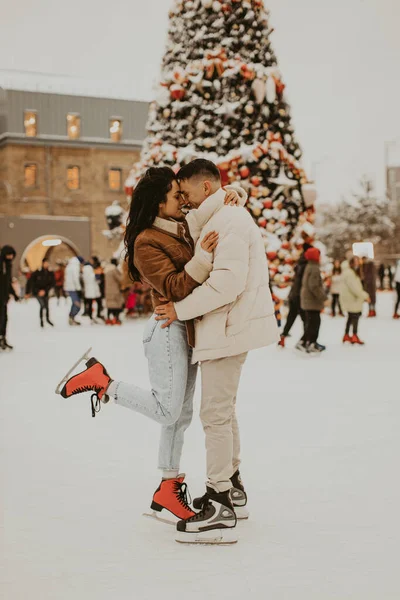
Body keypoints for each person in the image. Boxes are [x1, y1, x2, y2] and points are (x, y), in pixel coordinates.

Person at [56, 166, 247, 541]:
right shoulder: (145, 241)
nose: (183, 201)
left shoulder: (178, 226)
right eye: (176, 195)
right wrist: (204, 258)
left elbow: (214, 198)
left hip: (186, 329)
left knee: (181, 415)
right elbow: (175, 287)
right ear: (159, 201)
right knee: (168, 409)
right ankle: (102, 382)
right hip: (166, 329)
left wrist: (233, 192)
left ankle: (168, 487)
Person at [154, 159, 279, 544]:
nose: (184, 200)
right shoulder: (220, 219)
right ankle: (234, 487)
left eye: (186, 192)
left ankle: (220, 499)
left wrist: (179, 309)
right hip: (223, 329)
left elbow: (226, 285)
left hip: (227, 328)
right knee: (222, 412)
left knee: (214, 415)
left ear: (206, 188)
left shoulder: (229, 222)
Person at [277, 237, 312, 349]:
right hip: (299, 295)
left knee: (291, 317)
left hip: (294, 294)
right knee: (306, 319)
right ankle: (305, 340)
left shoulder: (300, 262)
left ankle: (283, 338)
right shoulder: (306, 264)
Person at [300, 247, 327, 353]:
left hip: (307, 300)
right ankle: (311, 343)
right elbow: (314, 285)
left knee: (311, 322)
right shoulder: (314, 267)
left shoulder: (309, 266)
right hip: (312, 301)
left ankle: (309, 342)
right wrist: (323, 297)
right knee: (314, 323)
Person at [340, 257, 369, 344]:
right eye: (355, 262)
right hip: (352, 299)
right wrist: (365, 295)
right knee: (355, 316)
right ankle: (354, 335)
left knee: (350, 317)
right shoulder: (350, 273)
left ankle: (346, 335)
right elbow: (354, 288)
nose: (357, 264)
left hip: (351, 298)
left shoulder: (350, 272)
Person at [26, 259, 56, 327]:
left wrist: (45, 290)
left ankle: (47, 319)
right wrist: (32, 292)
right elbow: (32, 283)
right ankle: (41, 321)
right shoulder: (37, 272)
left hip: (45, 292)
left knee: (47, 306)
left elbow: (52, 283)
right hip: (37, 292)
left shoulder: (50, 273)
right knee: (42, 305)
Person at [0, 245, 17, 350]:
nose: (10, 257)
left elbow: (8, 282)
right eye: (9, 255)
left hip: (4, 298)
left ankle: (3, 338)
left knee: (4, 319)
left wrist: (14, 294)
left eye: (12, 255)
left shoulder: (8, 265)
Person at [64, 255, 85, 326]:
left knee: (74, 304)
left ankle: (72, 318)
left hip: (69, 288)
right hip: (73, 288)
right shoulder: (75, 266)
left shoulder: (69, 265)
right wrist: (79, 288)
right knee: (77, 304)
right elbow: (76, 278)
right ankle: (71, 317)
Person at [104, 259, 124, 324]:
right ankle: (116, 318)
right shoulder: (114, 270)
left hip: (107, 290)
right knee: (116, 305)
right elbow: (120, 279)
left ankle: (108, 318)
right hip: (115, 290)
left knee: (109, 305)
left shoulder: (106, 270)